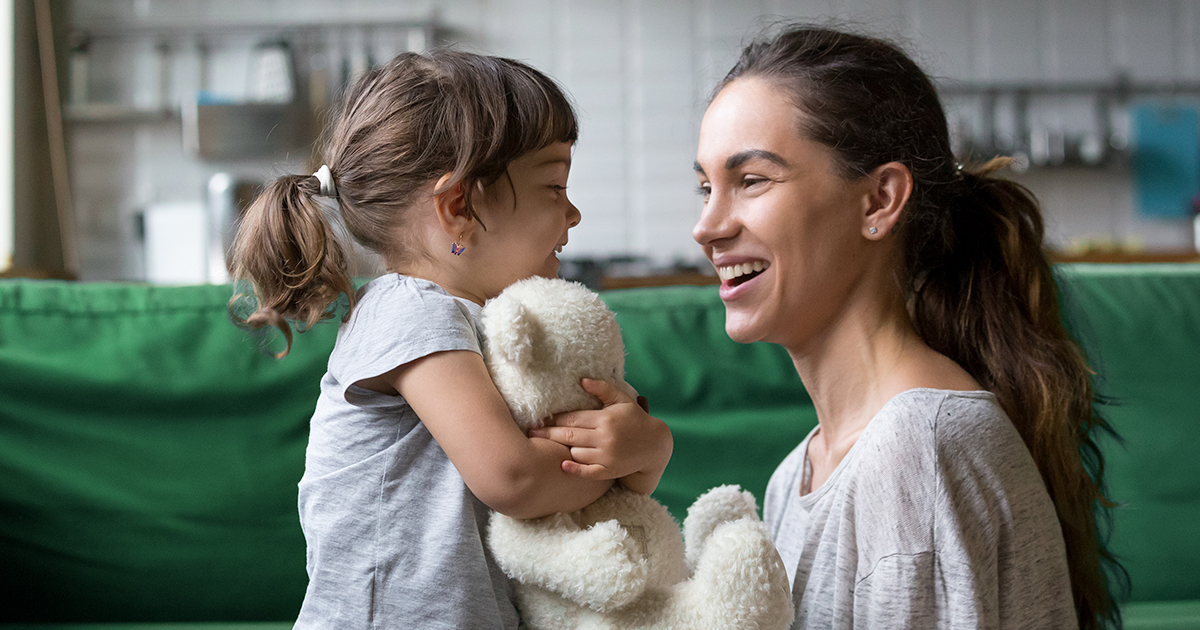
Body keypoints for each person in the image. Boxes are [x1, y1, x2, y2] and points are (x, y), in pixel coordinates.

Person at [689, 26, 1123, 629]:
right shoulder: (799, 473)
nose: (706, 226)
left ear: (878, 201)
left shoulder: (917, 448)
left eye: (751, 180)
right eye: (705, 187)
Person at [227, 50, 673, 630]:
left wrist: (640, 446)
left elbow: (576, 470)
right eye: (554, 186)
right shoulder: (409, 312)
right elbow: (512, 478)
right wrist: (631, 453)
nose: (574, 213)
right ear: (459, 206)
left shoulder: (490, 324)